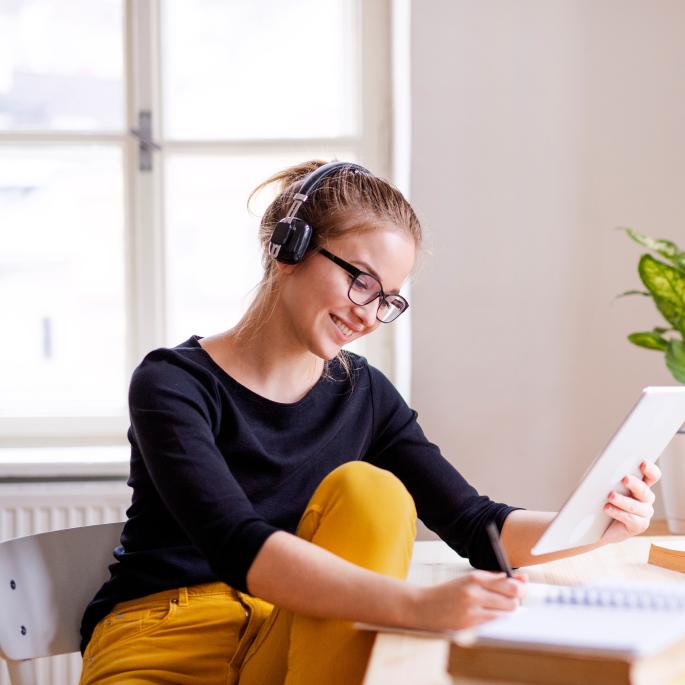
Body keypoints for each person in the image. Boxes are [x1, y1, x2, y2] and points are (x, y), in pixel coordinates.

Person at [79, 160, 660, 685]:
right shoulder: (173, 383)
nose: (369, 313)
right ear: (290, 249)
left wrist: (593, 524)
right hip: (165, 632)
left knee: (372, 492)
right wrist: (415, 606)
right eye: (361, 279)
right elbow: (237, 543)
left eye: (388, 299)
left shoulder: (365, 393)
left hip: (290, 632)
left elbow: (476, 525)